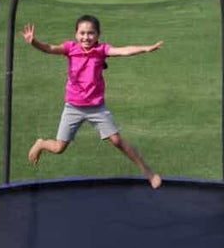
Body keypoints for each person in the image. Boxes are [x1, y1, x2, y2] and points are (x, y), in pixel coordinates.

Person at [21, 15, 164, 189]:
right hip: (73, 107)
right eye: (82, 33)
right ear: (76, 34)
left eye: (91, 33)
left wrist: (146, 49)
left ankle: (147, 172)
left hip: (96, 108)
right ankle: (42, 143)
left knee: (117, 141)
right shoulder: (70, 48)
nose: (86, 37)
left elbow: (124, 50)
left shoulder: (102, 50)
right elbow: (49, 48)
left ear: (97, 35)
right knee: (59, 148)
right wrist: (34, 42)